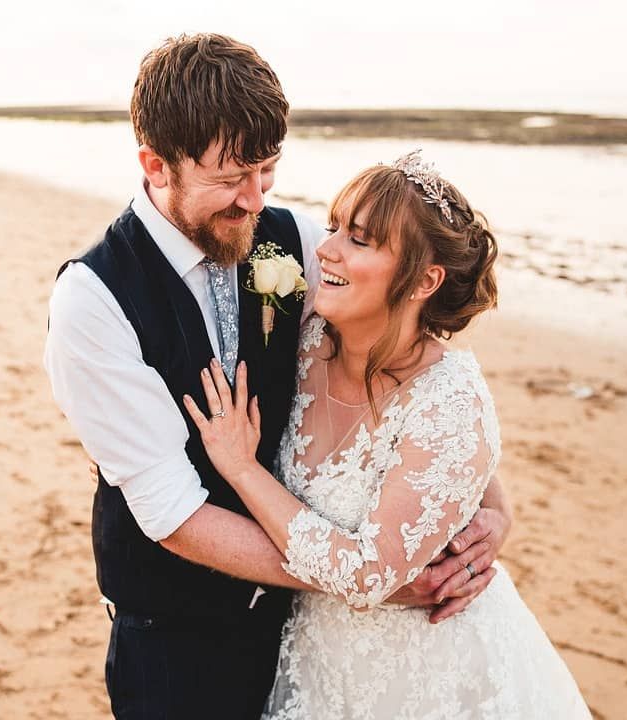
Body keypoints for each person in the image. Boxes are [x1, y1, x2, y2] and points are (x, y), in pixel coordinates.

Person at [44, 34, 512, 719]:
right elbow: (173, 516)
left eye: (267, 170)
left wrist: (491, 512)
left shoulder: (292, 239)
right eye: (231, 178)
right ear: (156, 165)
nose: (254, 200)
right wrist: (368, 578)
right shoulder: (94, 302)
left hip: (302, 631)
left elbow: (405, 380)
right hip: (177, 639)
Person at [184, 152, 591, 718]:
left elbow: (367, 573)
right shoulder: (303, 346)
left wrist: (243, 469)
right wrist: (494, 506)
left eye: (360, 239)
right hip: (319, 662)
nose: (325, 250)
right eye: (333, 228)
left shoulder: (446, 402)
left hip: (430, 674)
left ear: (425, 280)